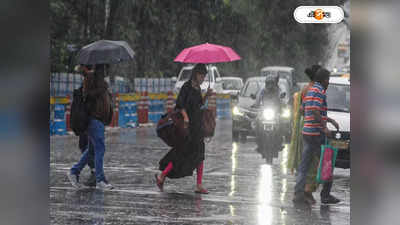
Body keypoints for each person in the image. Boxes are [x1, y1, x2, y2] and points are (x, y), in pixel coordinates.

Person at [155, 63, 211, 194]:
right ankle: (162, 176)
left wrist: (206, 96)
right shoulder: (186, 87)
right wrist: (185, 117)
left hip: (197, 127)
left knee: (200, 154)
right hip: (187, 127)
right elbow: (180, 105)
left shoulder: (197, 89)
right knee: (180, 154)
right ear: (196, 74)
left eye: (204, 76)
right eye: (201, 75)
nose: (203, 78)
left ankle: (199, 184)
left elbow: (198, 104)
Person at [293, 67, 341, 205]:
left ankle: (298, 194)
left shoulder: (310, 90)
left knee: (304, 165)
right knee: (327, 162)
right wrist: (324, 127)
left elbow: (304, 109)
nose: (329, 83)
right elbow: (314, 110)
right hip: (315, 134)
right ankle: (325, 195)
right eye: (328, 80)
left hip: (307, 132)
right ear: (324, 80)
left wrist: (329, 120)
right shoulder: (319, 91)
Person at [67, 64, 114, 190]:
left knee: (92, 150)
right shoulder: (91, 78)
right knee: (100, 149)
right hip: (94, 119)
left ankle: (74, 171)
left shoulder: (100, 81)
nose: (106, 71)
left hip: (100, 120)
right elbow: (88, 95)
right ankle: (100, 180)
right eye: (104, 68)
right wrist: (102, 88)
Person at [287, 64, 321, 204]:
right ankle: (305, 191)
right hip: (310, 128)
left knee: (307, 161)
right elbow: (306, 109)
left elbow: (302, 109)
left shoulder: (307, 88)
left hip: (305, 127)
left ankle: (303, 191)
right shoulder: (312, 89)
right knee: (310, 162)